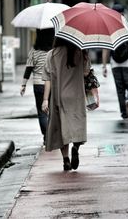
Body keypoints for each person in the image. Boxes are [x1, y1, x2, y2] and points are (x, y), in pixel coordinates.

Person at [41, 37, 99, 171]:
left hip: (59, 96)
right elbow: (86, 73)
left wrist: (45, 99)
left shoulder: (52, 54)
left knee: (63, 128)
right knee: (77, 125)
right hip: (77, 95)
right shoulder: (80, 52)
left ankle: (65, 159)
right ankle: (76, 147)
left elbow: (47, 79)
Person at [102, 4, 128, 119]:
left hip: (115, 64)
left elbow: (106, 48)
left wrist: (104, 66)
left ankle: (124, 113)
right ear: (123, 13)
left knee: (120, 90)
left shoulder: (108, 28)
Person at [20, 28, 54, 144]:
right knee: (52, 111)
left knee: (42, 113)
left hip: (38, 84)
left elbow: (29, 68)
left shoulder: (34, 50)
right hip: (52, 84)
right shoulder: (54, 50)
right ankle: (52, 135)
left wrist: (23, 85)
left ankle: (46, 137)